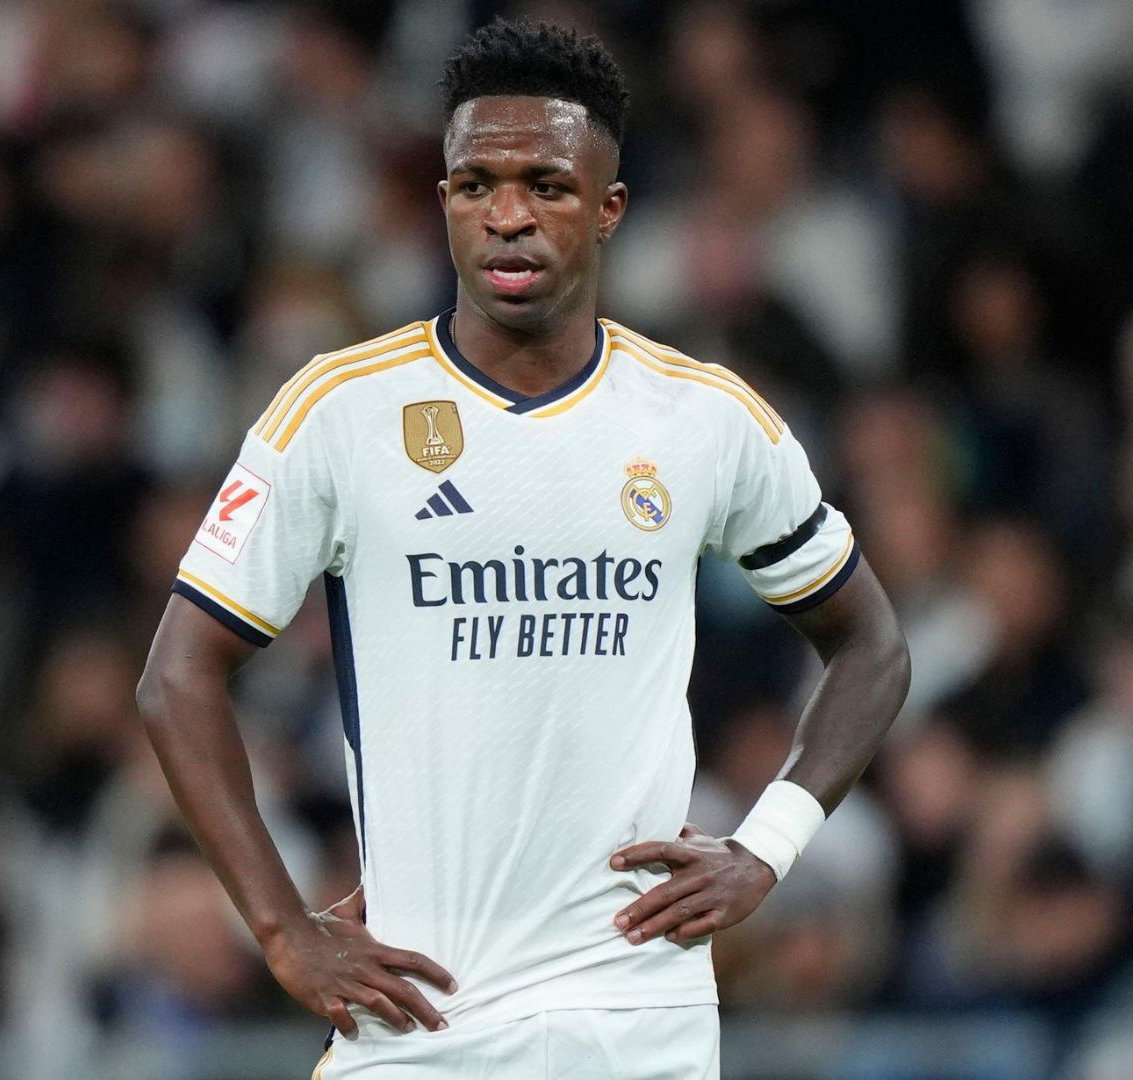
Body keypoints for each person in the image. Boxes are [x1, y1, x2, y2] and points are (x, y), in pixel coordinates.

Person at [137, 19, 909, 1078]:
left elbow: (869, 643)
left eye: (546, 185)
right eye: (473, 184)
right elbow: (176, 675)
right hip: (418, 1019)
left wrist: (764, 847)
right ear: (442, 201)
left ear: (607, 211)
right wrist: (281, 928)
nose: (507, 215)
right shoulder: (337, 411)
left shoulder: (701, 418)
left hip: (640, 1020)